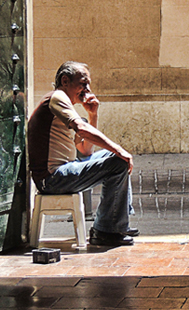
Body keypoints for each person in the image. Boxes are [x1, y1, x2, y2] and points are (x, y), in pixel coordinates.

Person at [27, 61, 138, 246]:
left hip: (64, 171)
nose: (87, 89)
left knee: (116, 159)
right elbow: (81, 129)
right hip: (52, 178)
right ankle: (106, 230)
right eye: (83, 83)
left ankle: (117, 222)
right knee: (118, 162)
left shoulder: (65, 107)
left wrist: (93, 115)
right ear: (65, 81)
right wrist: (119, 149)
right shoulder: (57, 97)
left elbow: (85, 150)